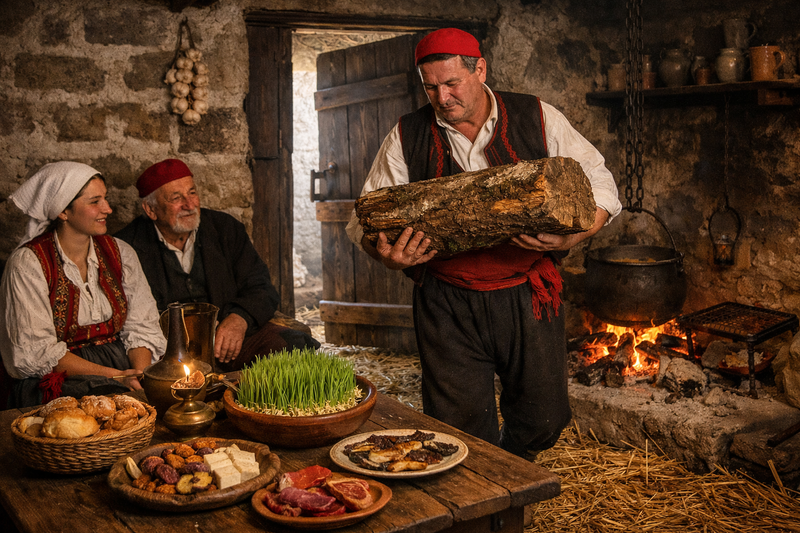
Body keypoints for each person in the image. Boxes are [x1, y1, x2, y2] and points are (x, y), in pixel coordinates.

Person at [345, 28, 623, 457]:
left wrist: (582, 231)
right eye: (431, 87)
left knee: (544, 416)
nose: (441, 97)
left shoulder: (536, 115)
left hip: (527, 294)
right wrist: (389, 259)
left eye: (452, 83)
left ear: (480, 69)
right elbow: (363, 223)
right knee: (458, 429)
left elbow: (600, 180)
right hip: (446, 302)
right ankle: (486, 502)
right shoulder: (406, 134)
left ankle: (513, 470)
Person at [116, 159, 320, 372]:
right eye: (176, 198)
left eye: (192, 193)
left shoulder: (225, 229)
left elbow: (261, 287)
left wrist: (239, 318)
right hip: (167, 352)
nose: (189, 204)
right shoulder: (127, 246)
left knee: (295, 345)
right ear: (150, 209)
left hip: (227, 345)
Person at [0, 162, 167, 408]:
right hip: (61, 379)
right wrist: (115, 377)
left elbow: (141, 325)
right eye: (94, 201)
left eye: (105, 199)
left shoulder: (120, 253)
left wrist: (141, 375)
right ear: (63, 212)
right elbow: (38, 352)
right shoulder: (28, 264)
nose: (108, 209)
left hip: (121, 368)